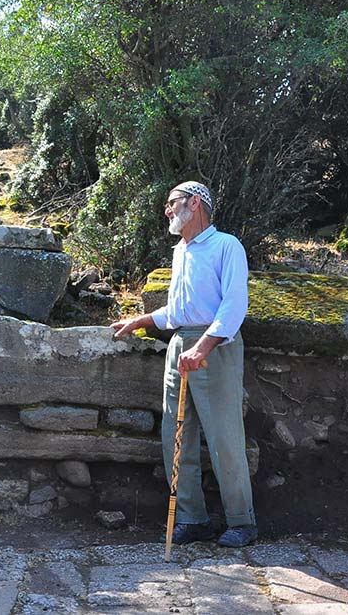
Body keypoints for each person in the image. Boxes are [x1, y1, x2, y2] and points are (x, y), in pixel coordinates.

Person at [111, 181, 257, 547]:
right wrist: (141, 321)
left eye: (171, 203)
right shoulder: (181, 251)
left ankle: (242, 522)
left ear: (195, 203)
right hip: (180, 346)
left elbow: (234, 305)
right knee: (176, 437)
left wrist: (203, 347)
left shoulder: (227, 246)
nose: (167, 210)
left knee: (224, 436)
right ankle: (193, 520)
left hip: (216, 347)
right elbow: (178, 311)